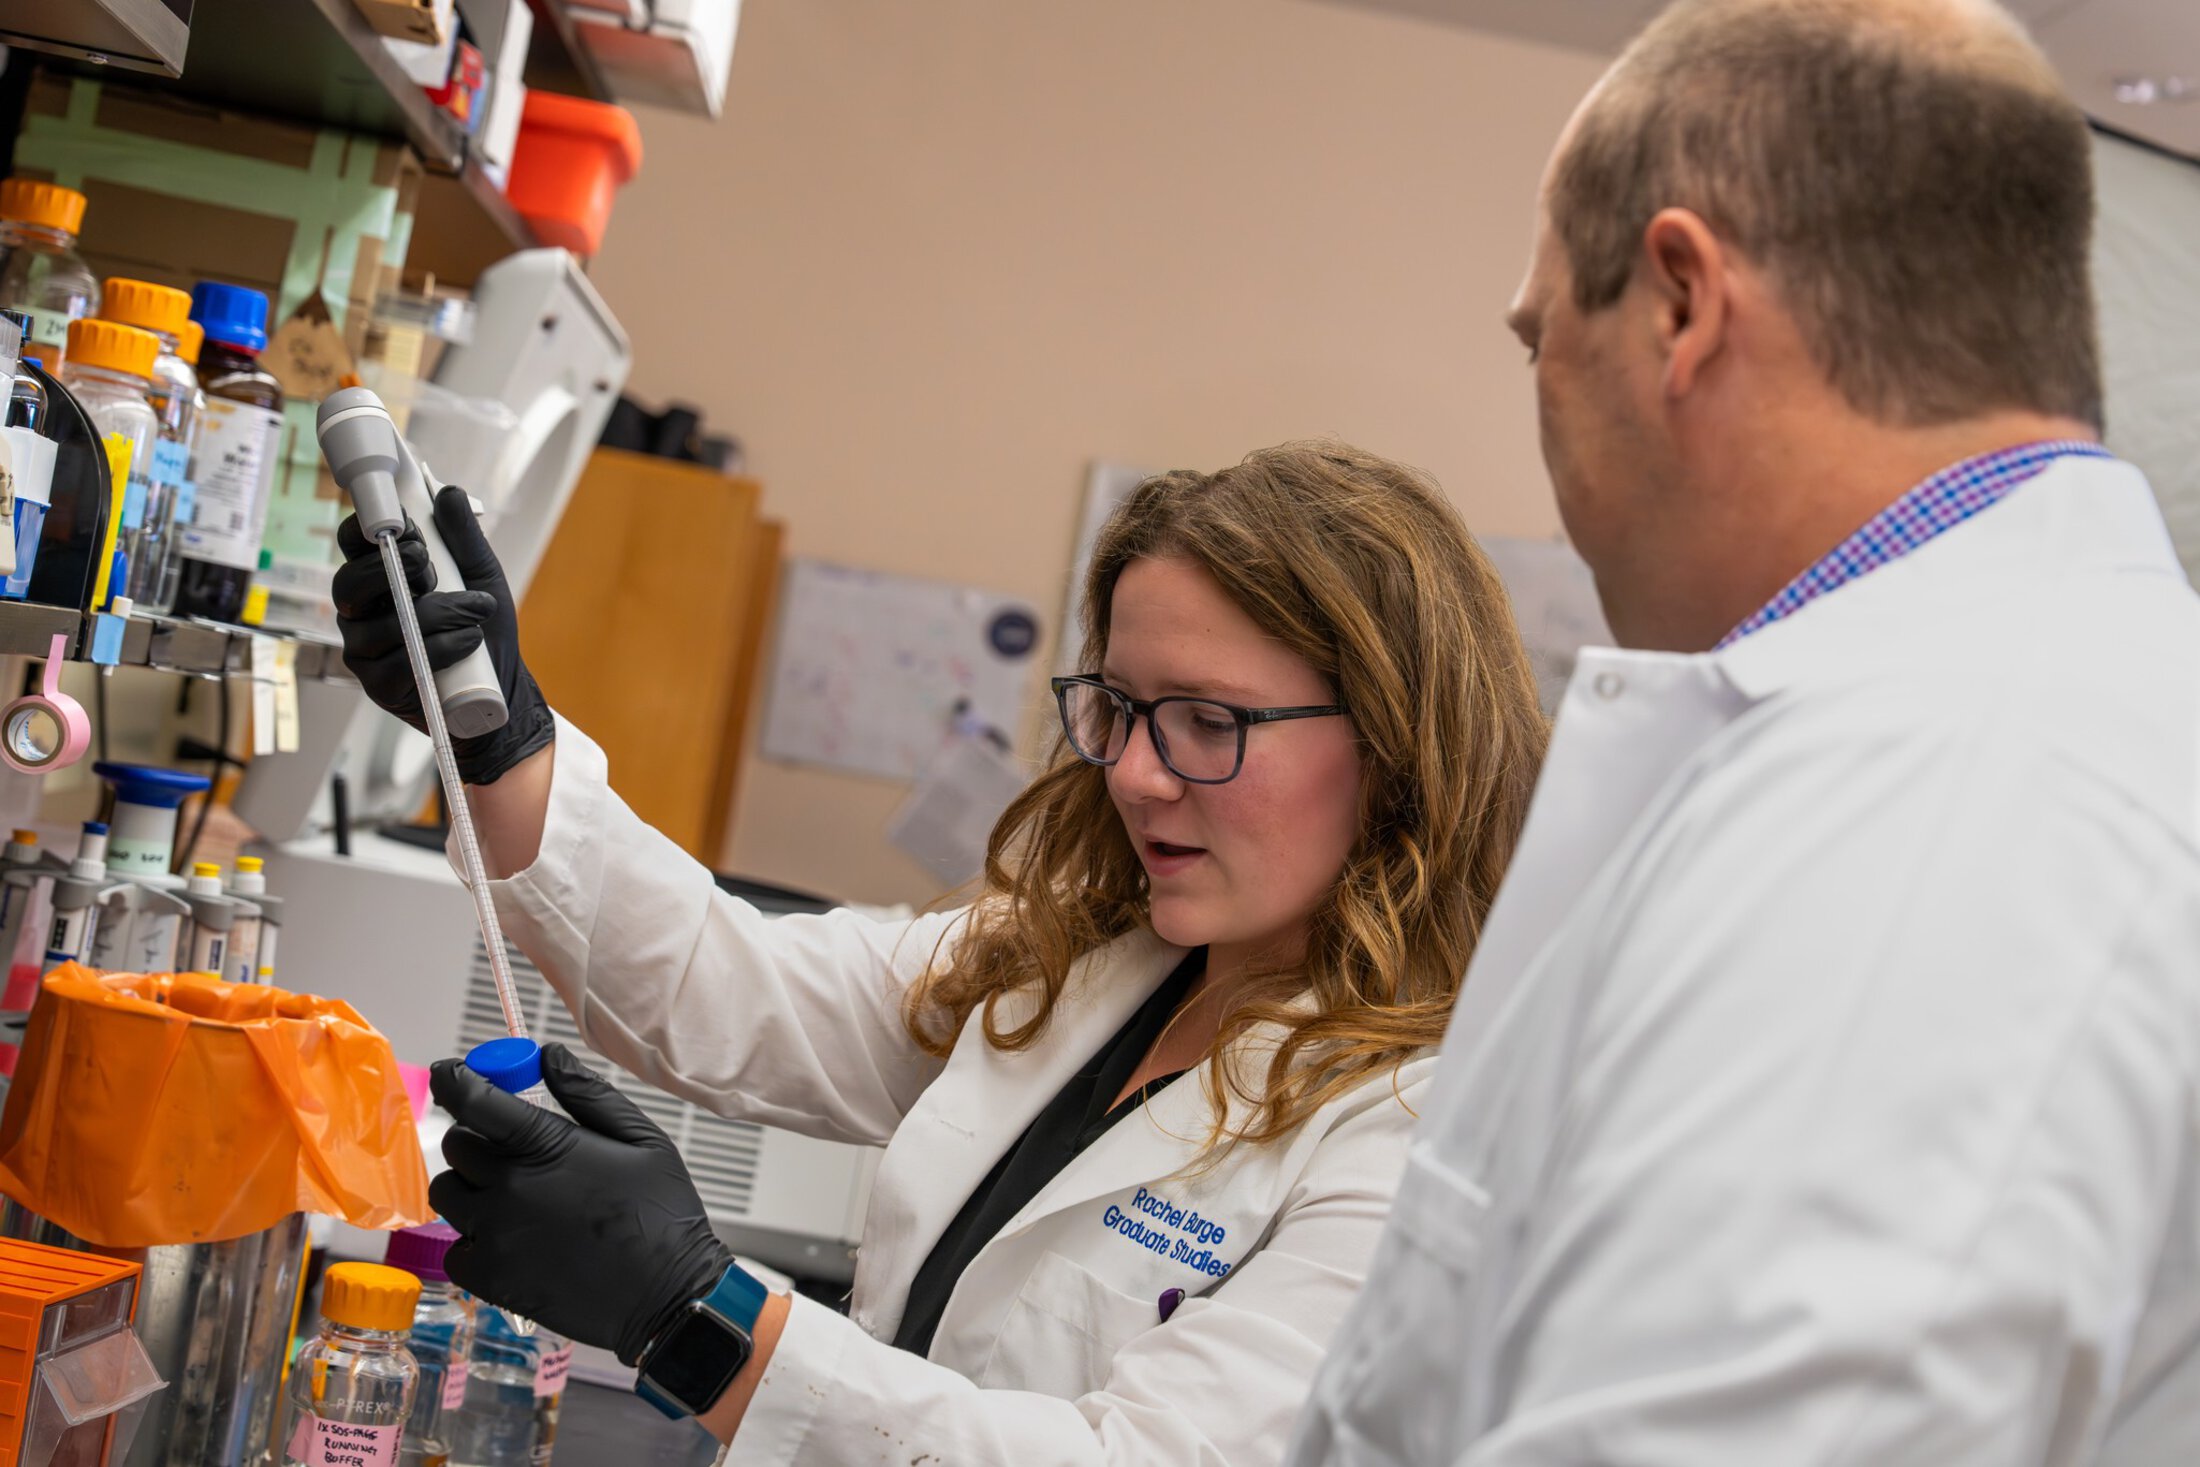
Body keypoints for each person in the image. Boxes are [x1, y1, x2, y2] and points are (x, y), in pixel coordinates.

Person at [1286, 1, 2200, 1463]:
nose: (1543, 407)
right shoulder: (1983, 725)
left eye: (1544, 341)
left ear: (1680, 307)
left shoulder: (1947, 802)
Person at [332, 442, 1549, 1463]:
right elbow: (732, 996)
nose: (1131, 771)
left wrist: (697, 1313)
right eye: (1121, 709)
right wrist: (499, 737)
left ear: (1396, 743)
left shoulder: (1432, 1132)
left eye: (1207, 722)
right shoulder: (1082, 959)